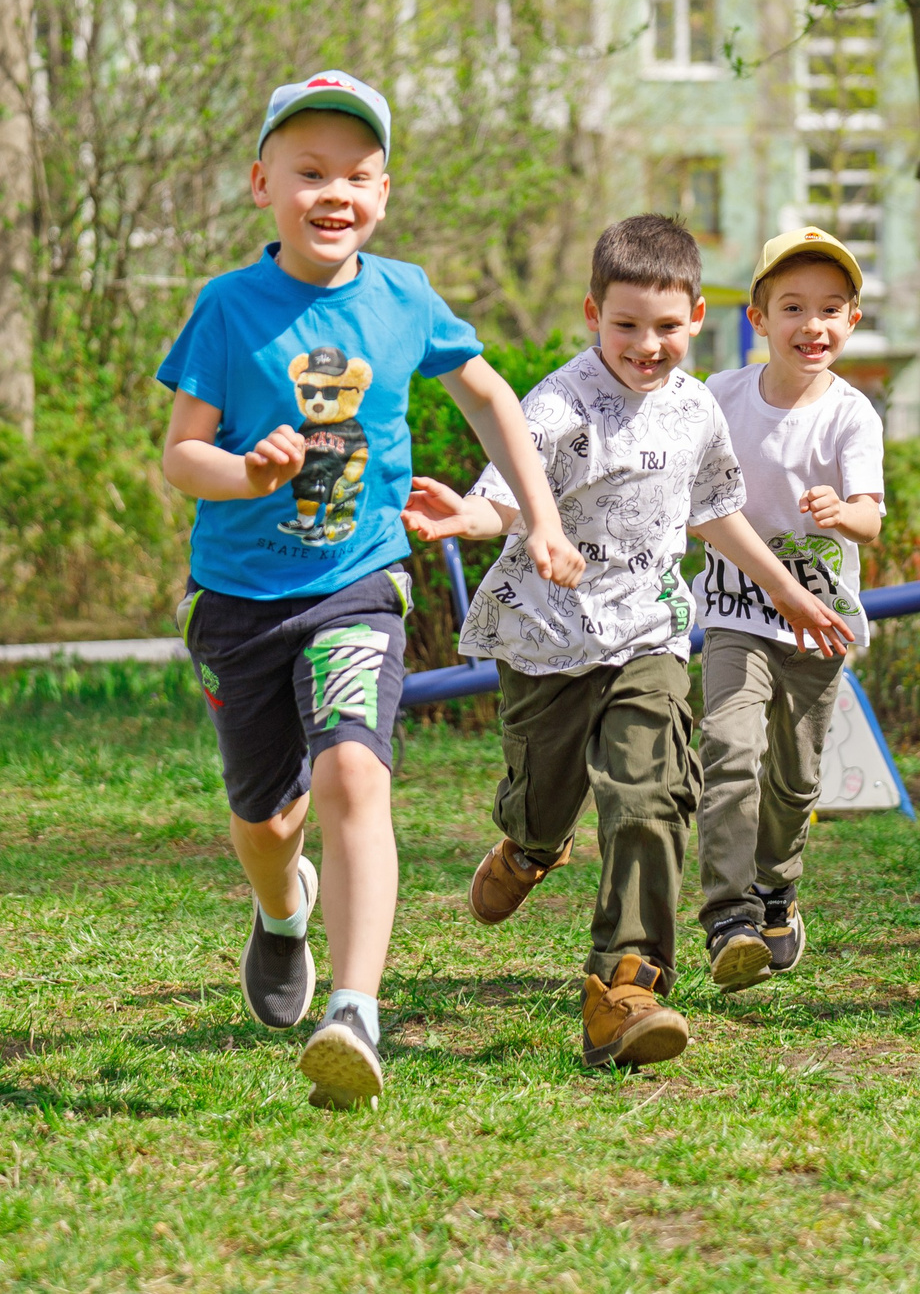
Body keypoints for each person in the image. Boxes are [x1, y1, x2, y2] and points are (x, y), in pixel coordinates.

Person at [158, 68, 580, 1112]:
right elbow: (179, 457)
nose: (334, 192)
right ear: (264, 184)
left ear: (383, 195)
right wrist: (245, 470)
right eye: (309, 172)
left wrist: (540, 517)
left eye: (356, 174)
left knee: (355, 774)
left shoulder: (405, 297)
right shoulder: (227, 307)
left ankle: (355, 1009)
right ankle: (283, 913)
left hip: (358, 586)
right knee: (265, 820)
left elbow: (488, 397)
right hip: (240, 600)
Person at [403, 214, 852, 1070]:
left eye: (669, 327)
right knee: (545, 795)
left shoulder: (694, 410)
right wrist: (470, 515)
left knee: (650, 796)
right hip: (549, 641)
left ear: (699, 316)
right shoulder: (562, 403)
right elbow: (508, 486)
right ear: (591, 314)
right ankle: (531, 842)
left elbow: (716, 509)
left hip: (649, 634)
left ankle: (625, 982)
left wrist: (787, 588)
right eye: (627, 326)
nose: (649, 345)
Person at [691, 228, 886, 992]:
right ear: (758, 318)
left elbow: (872, 518)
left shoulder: (851, 415)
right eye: (794, 307)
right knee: (730, 753)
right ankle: (729, 914)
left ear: (853, 322)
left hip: (821, 624)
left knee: (795, 777)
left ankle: (776, 884)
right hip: (739, 612)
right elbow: (695, 499)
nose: (814, 325)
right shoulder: (719, 396)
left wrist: (842, 510)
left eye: (832, 309)